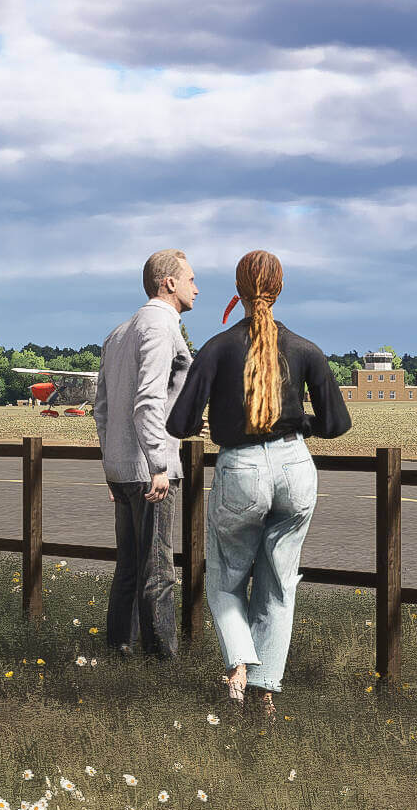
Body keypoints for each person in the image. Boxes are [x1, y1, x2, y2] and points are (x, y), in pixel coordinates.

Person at [166, 250, 351, 718]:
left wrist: (218, 418)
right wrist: (299, 423)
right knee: (279, 583)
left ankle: (238, 672)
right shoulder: (306, 349)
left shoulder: (218, 347)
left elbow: (180, 421)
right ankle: (266, 693)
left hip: (241, 470)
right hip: (295, 468)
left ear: (239, 290)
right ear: (280, 288)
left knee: (227, 579)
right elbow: (337, 423)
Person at [91, 249, 198, 660]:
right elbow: (148, 400)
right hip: (151, 471)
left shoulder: (118, 334)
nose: (196, 287)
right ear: (168, 283)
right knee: (158, 571)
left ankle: (119, 651)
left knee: (129, 568)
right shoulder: (158, 326)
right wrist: (159, 463)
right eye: (190, 279)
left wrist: (110, 465)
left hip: (122, 468)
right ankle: (160, 667)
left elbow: (102, 408)